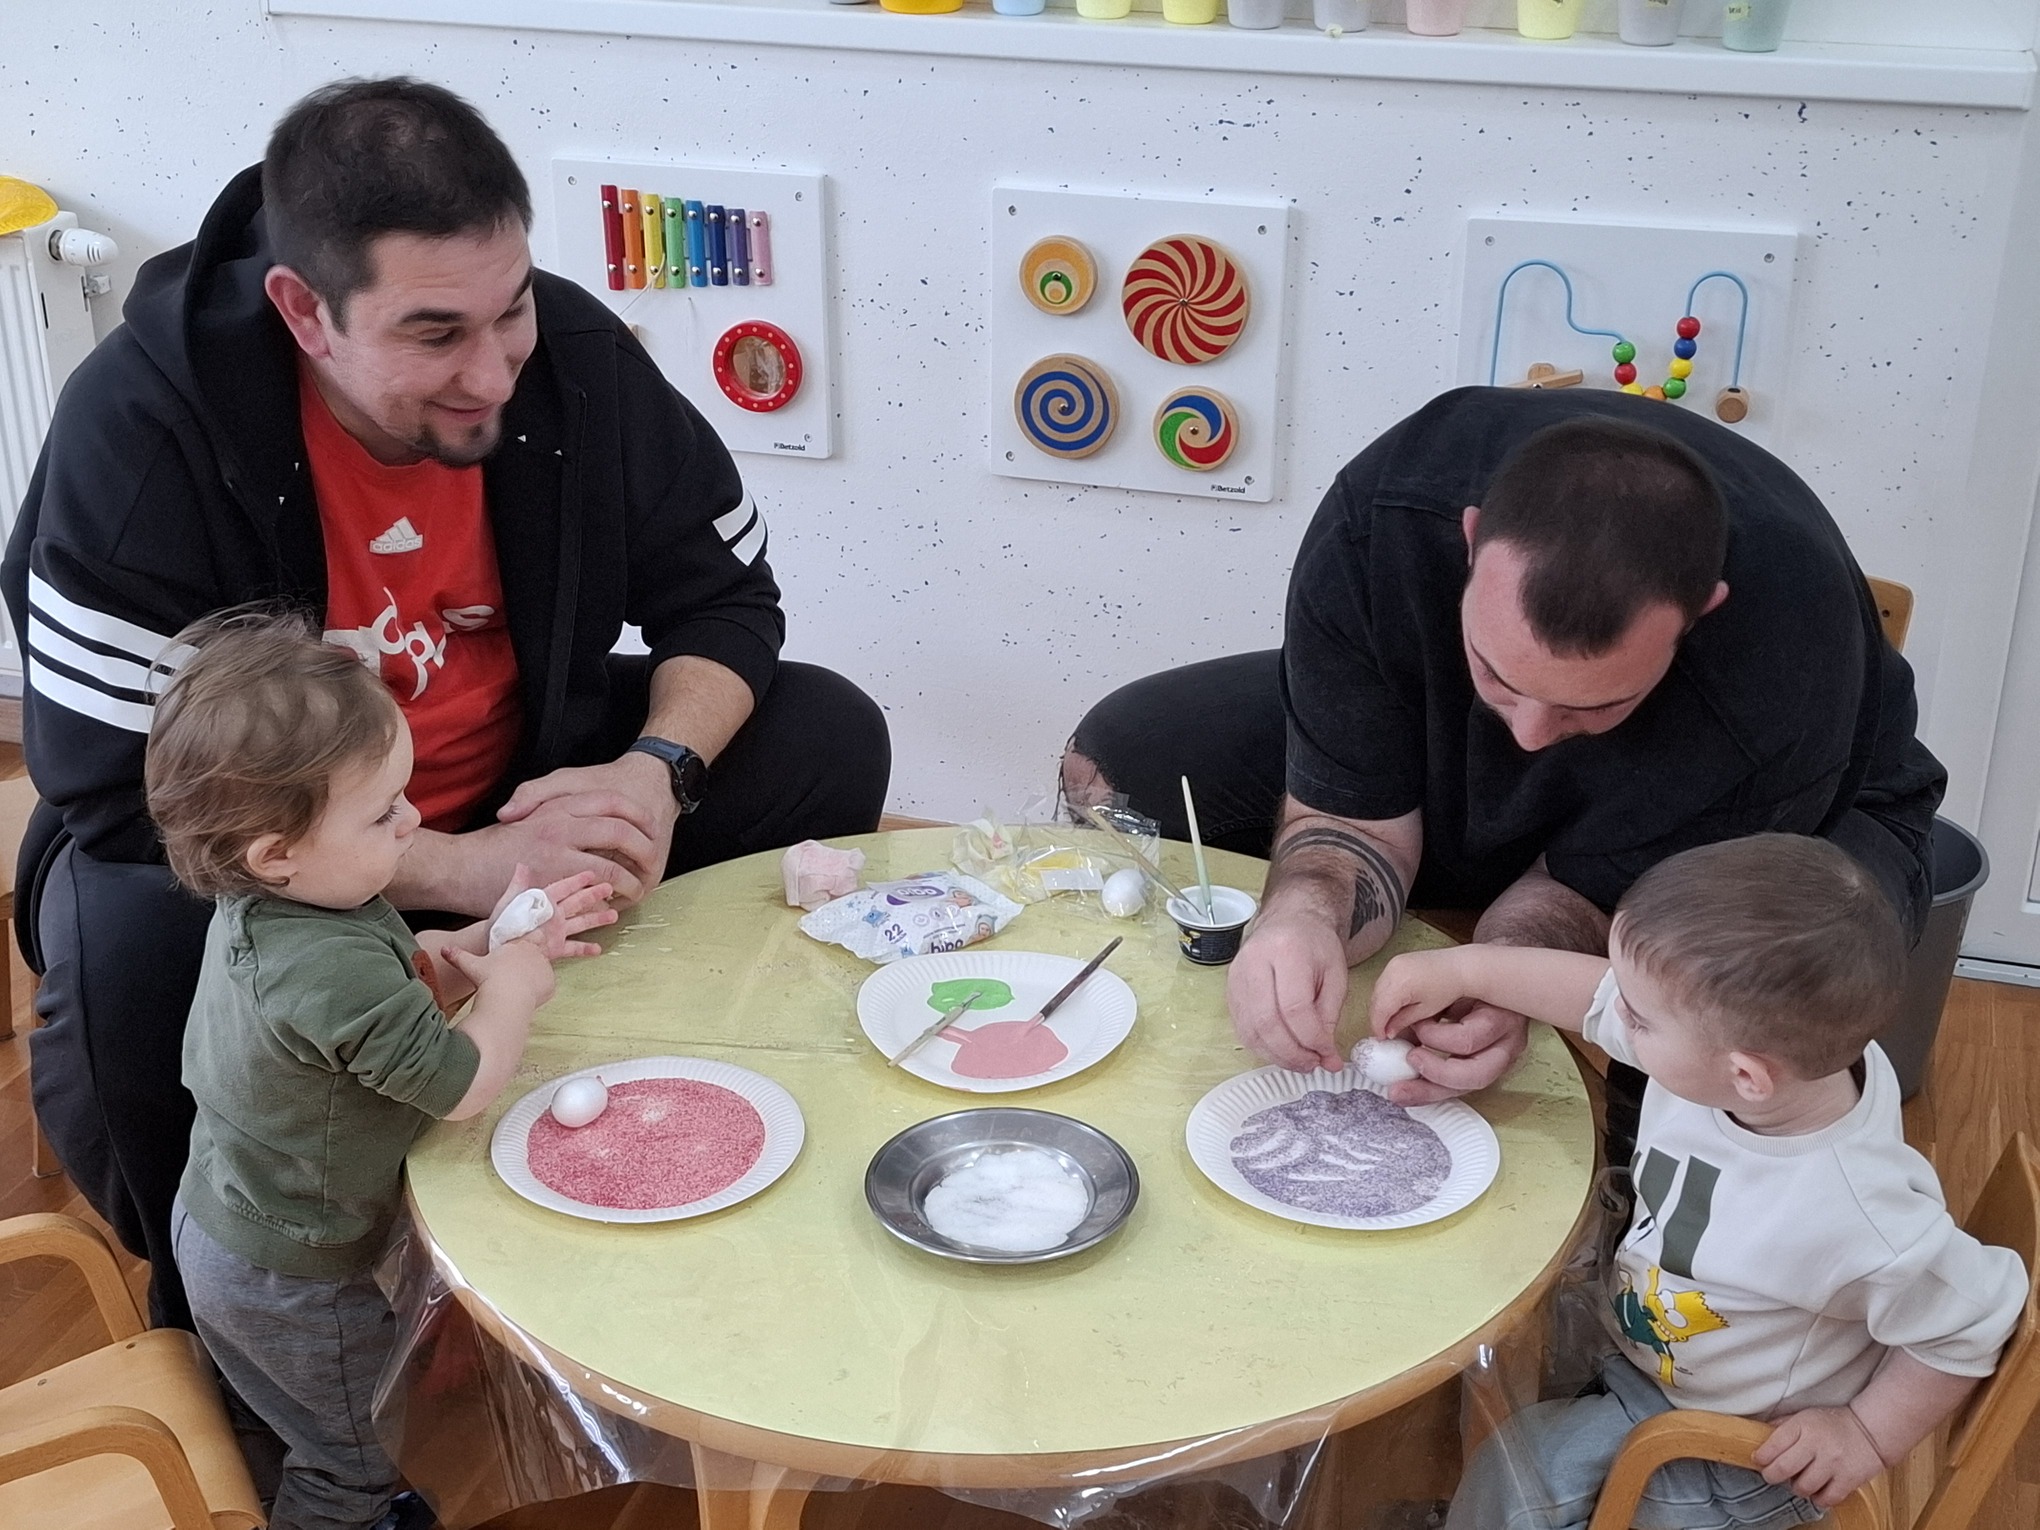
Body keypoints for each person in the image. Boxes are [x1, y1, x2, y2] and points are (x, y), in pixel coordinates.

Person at [3, 76, 890, 1330]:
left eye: (507, 309)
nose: (490, 373)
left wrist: (653, 773)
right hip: (282, 839)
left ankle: (682, 1074)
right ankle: (224, 1317)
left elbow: (727, 600)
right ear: (304, 311)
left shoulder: (570, 357)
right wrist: (456, 867)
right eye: (433, 336)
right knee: (130, 949)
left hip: (523, 765)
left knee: (824, 732)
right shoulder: (144, 429)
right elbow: (109, 787)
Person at [1062, 388, 1943, 1153]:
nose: (1528, 737)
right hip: (1451, 735)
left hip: (1795, 821)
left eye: (1592, 705)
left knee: (1716, 1017)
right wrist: (1302, 913)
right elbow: (1354, 826)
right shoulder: (1381, 523)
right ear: (1472, 539)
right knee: (1127, 756)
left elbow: (1584, 894)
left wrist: (1502, 976)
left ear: (1698, 615)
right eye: (1498, 674)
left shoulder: (1782, 669)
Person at [1368, 834, 2025, 1530]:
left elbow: (1976, 1318)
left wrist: (1863, 1432)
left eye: (1640, 1019)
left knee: (1516, 1478)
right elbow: (1595, 994)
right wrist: (1465, 968)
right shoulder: (1772, 1065)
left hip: (1732, 1448)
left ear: (1746, 1075)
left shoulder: (1854, 1213)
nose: (1617, 1015)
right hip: (1661, 1359)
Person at [151, 613, 616, 1530]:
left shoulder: (285, 905)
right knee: (353, 1460)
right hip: (294, 1270)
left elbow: (397, 983)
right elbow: (464, 1084)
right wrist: (513, 989)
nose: (415, 820)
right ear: (275, 852)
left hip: (233, 1215)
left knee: (296, 1413)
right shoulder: (321, 961)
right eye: (383, 812)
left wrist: (492, 942)